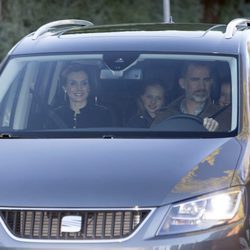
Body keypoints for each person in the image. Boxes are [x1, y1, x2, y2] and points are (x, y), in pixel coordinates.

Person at [153, 61, 229, 131]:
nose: (202, 86)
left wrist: (217, 132)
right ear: (182, 83)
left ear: (211, 82)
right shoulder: (165, 115)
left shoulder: (221, 116)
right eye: (195, 80)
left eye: (206, 80)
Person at [47, 63, 113, 128]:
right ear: (64, 87)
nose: (79, 88)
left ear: (89, 87)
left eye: (84, 83)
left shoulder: (102, 114)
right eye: (73, 83)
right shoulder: (54, 115)